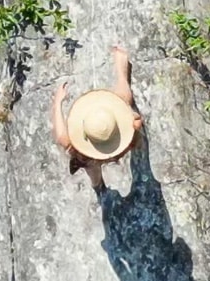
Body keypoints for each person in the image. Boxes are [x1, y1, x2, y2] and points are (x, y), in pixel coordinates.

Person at [52, 46, 143, 190]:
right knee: (124, 98)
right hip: (119, 149)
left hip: (87, 158)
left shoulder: (71, 144)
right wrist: (133, 120)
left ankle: (97, 184)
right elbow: (137, 121)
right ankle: (121, 66)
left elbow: (60, 132)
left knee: (91, 169)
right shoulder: (122, 140)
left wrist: (58, 102)